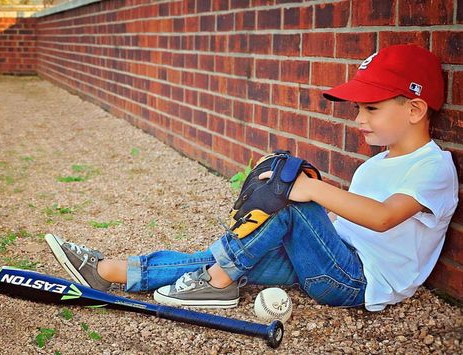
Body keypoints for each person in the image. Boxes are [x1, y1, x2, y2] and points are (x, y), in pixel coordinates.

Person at [45, 44, 458, 312]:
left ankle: (219, 283)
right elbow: (341, 224)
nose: (358, 119)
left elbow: (384, 218)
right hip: (326, 262)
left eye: (370, 108)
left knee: (289, 190)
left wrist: (308, 190)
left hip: (356, 281)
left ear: (415, 110)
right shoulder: (373, 165)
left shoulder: (432, 167)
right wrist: (280, 231)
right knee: (223, 257)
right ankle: (111, 271)